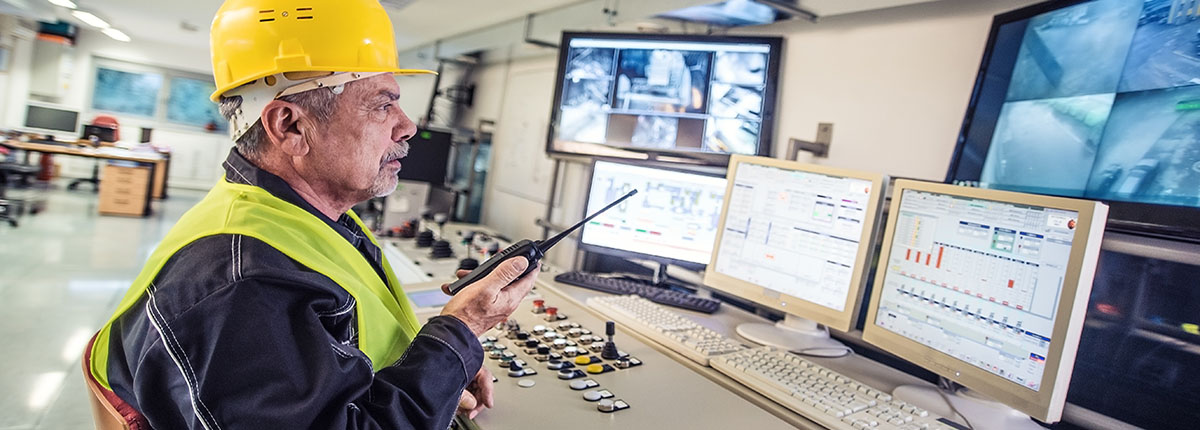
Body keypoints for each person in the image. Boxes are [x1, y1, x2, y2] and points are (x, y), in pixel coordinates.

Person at [83, 0, 539, 428]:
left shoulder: (301, 215)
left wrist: (442, 368)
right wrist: (462, 330)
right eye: (383, 104)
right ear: (291, 125)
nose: (408, 126)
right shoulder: (240, 283)